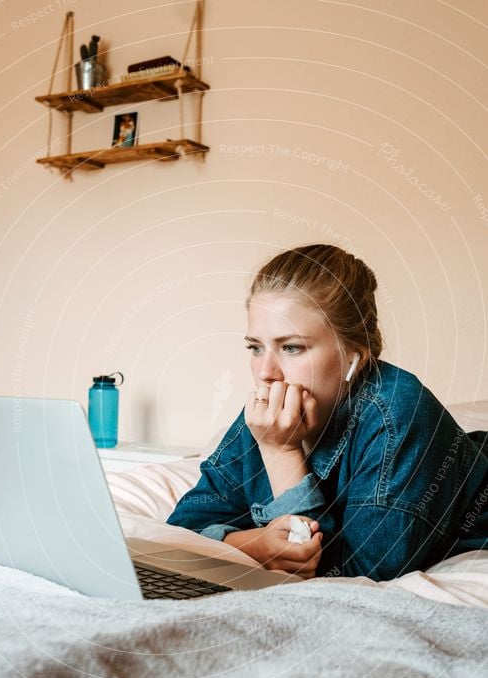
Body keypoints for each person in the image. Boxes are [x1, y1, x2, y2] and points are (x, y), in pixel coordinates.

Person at [166, 244, 488, 581]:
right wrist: (252, 543)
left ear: (353, 357)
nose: (265, 372)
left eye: (291, 347)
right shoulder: (273, 403)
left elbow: (361, 574)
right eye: (256, 348)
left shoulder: (398, 414)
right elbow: (185, 524)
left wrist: (282, 451)